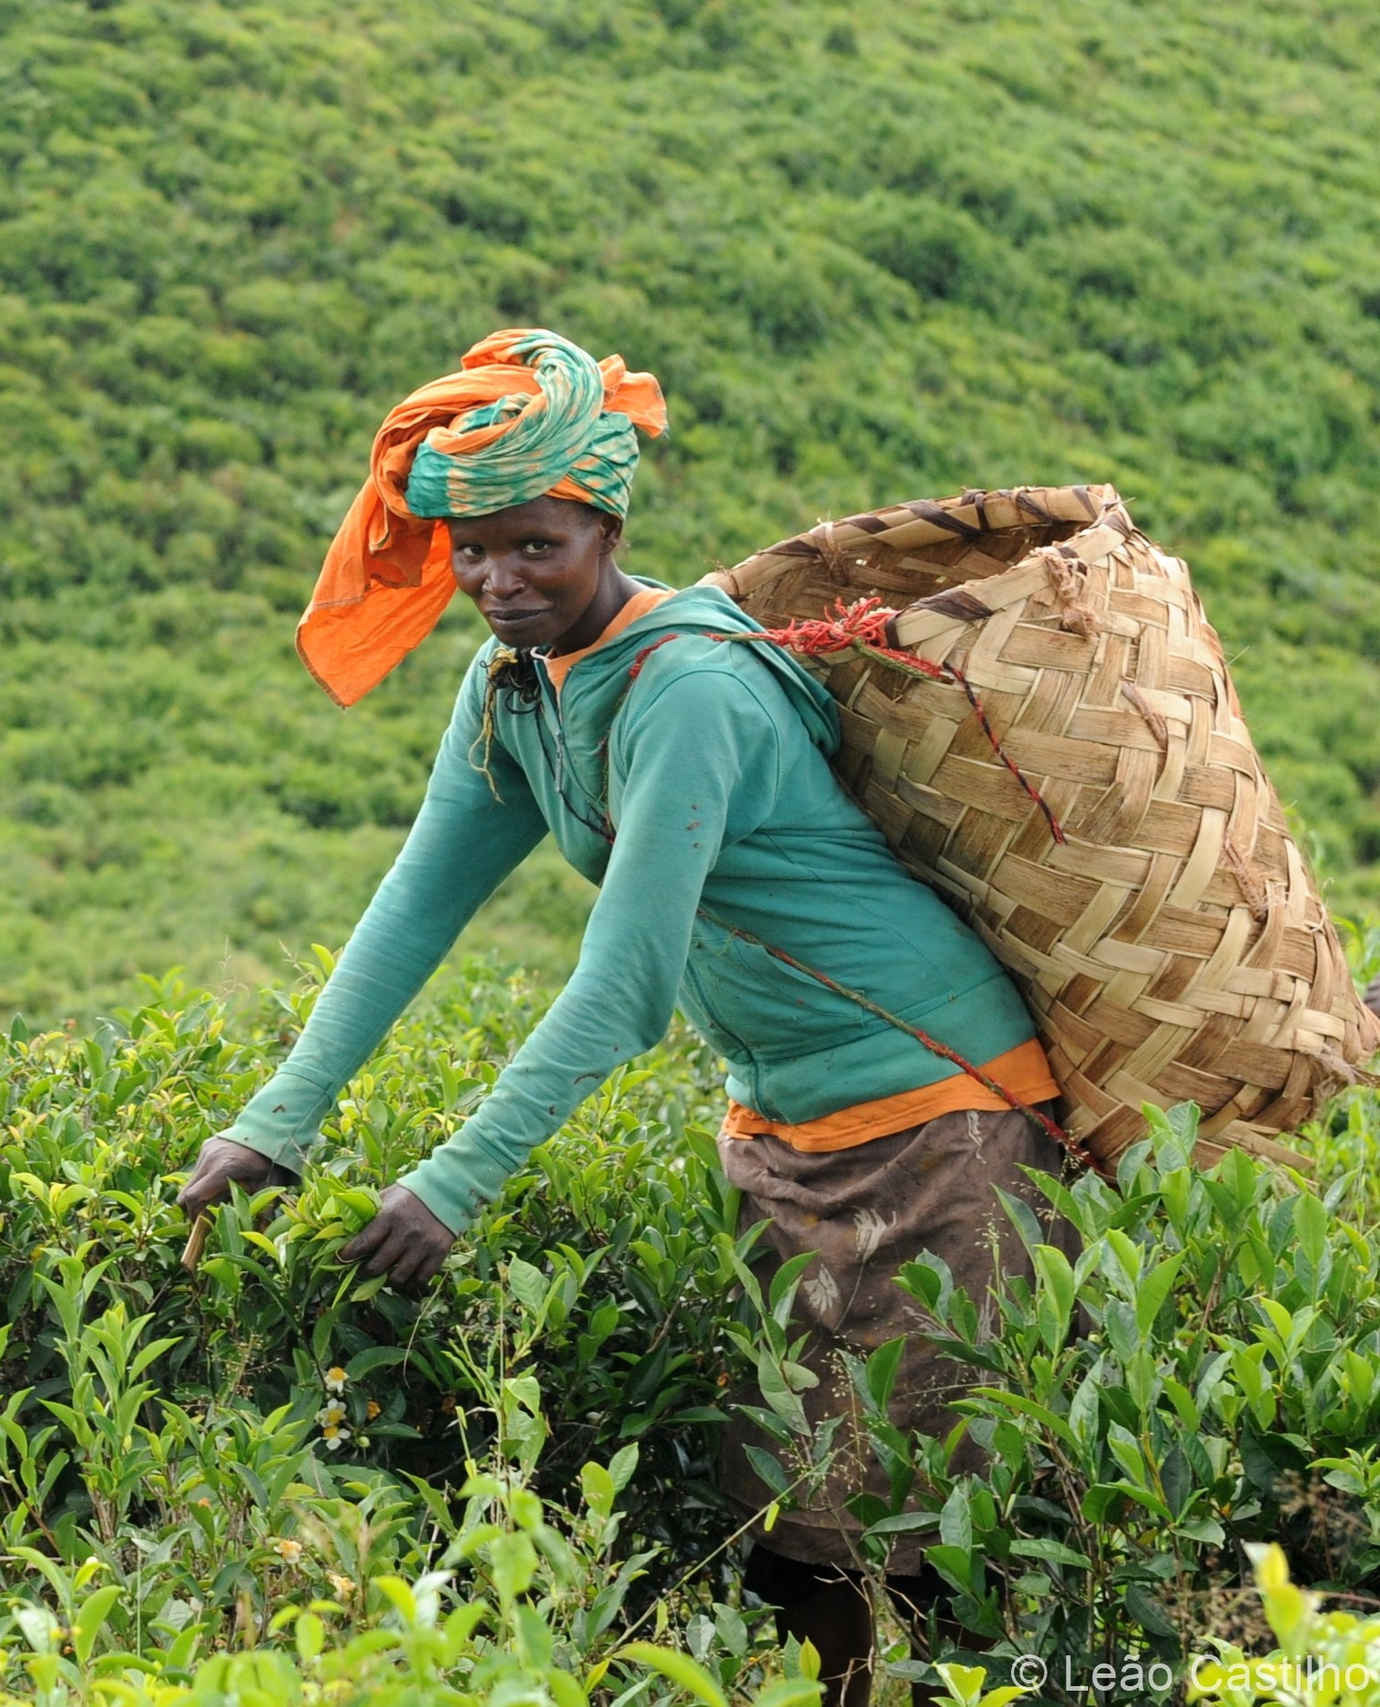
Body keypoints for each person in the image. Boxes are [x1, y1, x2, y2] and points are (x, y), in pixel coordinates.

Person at [173, 329, 1080, 1707]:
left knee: (923, 1547)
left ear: (604, 522)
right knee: (797, 1539)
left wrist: (455, 1184)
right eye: (468, 551)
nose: (497, 583)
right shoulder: (514, 692)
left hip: (946, 1123)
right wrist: (272, 1128)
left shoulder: (690, 688)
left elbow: (627, 983)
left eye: (534, 546)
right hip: (784, 1133)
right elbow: (412, 908)